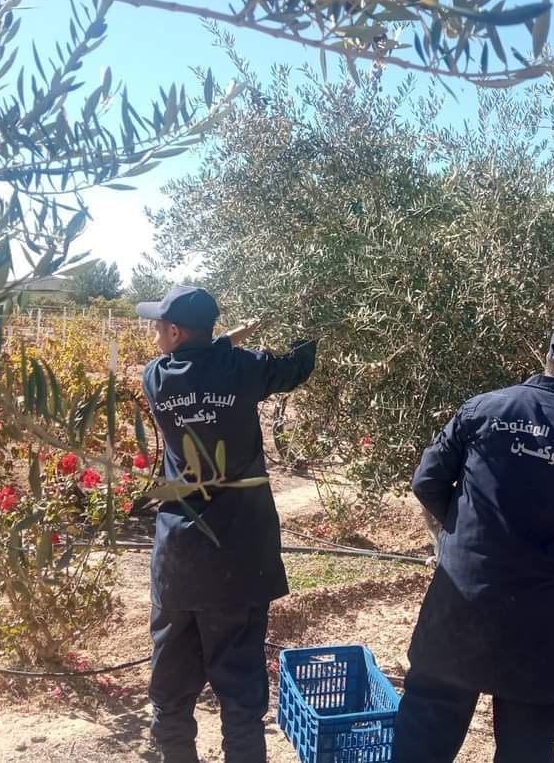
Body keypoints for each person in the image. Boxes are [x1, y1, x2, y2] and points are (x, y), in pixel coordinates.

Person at [392, 318, 554, 763]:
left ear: (551, 361)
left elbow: (427, 481)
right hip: (534, 623)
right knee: (526, 747)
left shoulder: (483, 408)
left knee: (423, 736)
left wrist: (464, 532)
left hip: (458, 604)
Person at [136, 285, 317, 763]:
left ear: (174, 332)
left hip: (180, 559)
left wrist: (221, 342)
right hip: (241, 557)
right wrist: (312, 311)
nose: (155, 333)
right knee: (241, 697)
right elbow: (296, 366)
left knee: (171, 690)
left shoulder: (155, 378)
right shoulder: (245, 370)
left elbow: (204, 359)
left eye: (158, 325)